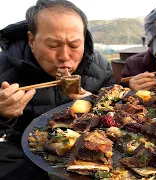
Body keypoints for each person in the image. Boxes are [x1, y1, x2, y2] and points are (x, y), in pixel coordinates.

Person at [0, 0, 114, 179]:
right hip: (22, 150)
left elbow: (115, 119)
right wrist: (2, 114)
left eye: (75, 45)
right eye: (53, 46)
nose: (65, 56)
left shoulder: (99, 66)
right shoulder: (3, 69)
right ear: (32, 40)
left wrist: (98, 104)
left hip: (86, 149)